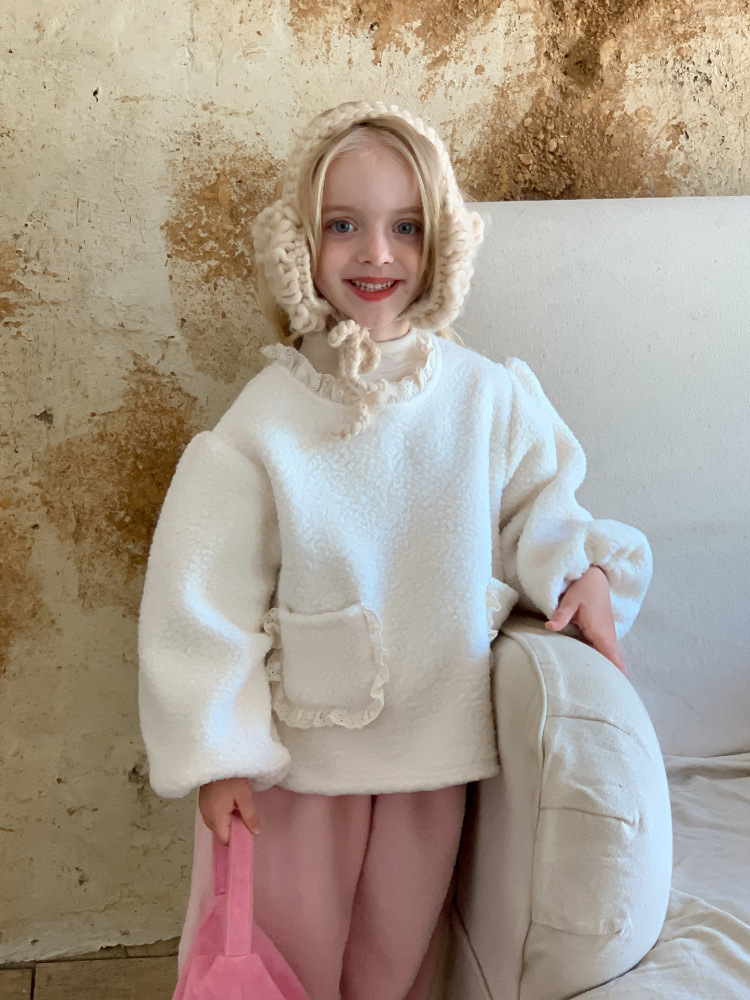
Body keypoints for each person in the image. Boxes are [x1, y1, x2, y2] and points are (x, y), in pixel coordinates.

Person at [138, 100, 653, 1000]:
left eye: (406, 228)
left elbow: (539, 508)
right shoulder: (268, 419)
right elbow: (202, 593)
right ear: (302, 243)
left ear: (441, 242)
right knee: (282, 948)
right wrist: (219, 753)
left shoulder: (485, 398)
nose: (376, 254)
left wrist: (583, 573)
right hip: (298, 761)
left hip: (435, 746)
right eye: (344, 225)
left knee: (401, 959)